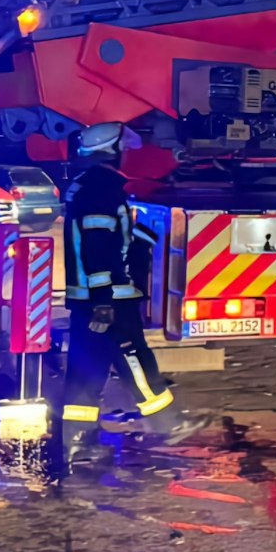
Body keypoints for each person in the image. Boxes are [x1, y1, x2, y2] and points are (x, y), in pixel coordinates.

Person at [60, 122, 201, 462]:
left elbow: (104, 242)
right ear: (114, 150)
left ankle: (77, 438)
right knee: (134, 357)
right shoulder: (103, 190)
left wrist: (140, 240)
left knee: (87, 367)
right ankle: (168, 423)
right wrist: (105, 301)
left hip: (90, 298)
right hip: (108, 298)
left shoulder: (88, 186)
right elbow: (99, 247)